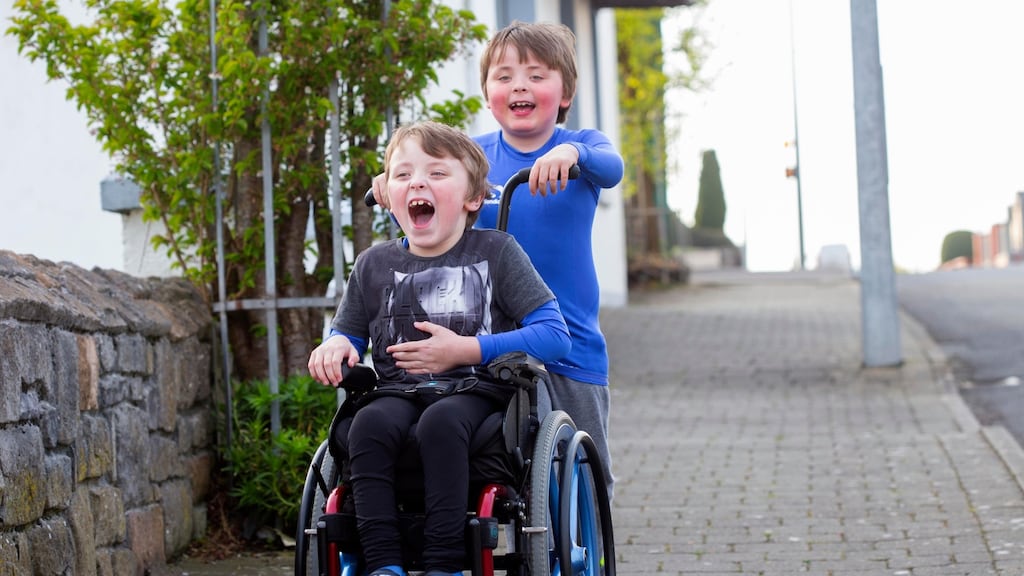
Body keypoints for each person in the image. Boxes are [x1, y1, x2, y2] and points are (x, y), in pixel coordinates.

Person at [308, 121, 571, 576]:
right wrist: (334, 346)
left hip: (476, 392)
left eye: (436, 173)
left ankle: (442, 563)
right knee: (367, 424)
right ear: (388, 195)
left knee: (441, 422)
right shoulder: (373, 264)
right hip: (397, 392)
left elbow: (554, 334)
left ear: (474, 198)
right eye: (403, 174)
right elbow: (347, 333)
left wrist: (467, 349)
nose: (417, 183)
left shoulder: (497, 252)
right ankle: (383, 563)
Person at [473, 20, 624, 498]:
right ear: (488, 94)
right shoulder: (471, 158)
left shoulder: (582, 146)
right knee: (503, 472)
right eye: (504, 76)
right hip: (492, 342)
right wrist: (395, 183)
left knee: (585, 476)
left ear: (565, 93)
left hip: (571, 346)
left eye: (536, 75)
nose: (520, 85)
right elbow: (430, 194)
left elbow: (612, 167)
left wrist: (572, 152)